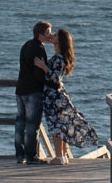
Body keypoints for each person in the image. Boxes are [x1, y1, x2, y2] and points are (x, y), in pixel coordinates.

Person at [42, 28, 100, 163]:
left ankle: (59, 156)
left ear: (60, 40)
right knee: (61, 124)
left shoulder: (58, 58)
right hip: (57, 95)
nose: (52, 36)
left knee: (55, 125)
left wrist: (43, 67)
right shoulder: (60, 57)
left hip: (53, 97)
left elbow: (55, 78)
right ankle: (62, 156)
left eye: (55, 35)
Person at [14, 20, 53, 164]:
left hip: (20, 89)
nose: (51, 35)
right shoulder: (39, 49)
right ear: (40, 34)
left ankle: (19, 155)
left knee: (20, 123)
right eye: (48, 32)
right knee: (32, 124)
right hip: (32, 91)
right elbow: (38, 74)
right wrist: (51, 81)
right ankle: (31, 156)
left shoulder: (26, 45)